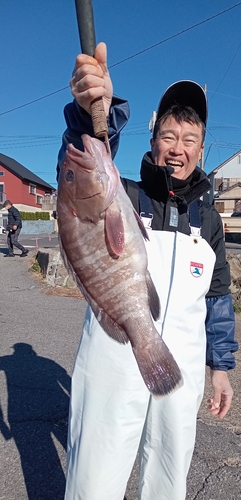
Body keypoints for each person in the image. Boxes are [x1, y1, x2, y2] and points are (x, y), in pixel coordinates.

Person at [57, 43, 238, 500]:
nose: (178, 149)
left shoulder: (210, 220)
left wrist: (221, 366)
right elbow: (87, 156)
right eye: (169, 135)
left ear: (202, 147)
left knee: (168, 480)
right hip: (114, 354)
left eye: (189, 139)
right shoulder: (128, 195)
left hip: (180, 365)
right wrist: (92, 110)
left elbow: (217, 295)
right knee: (94, 479)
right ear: (154, 135)